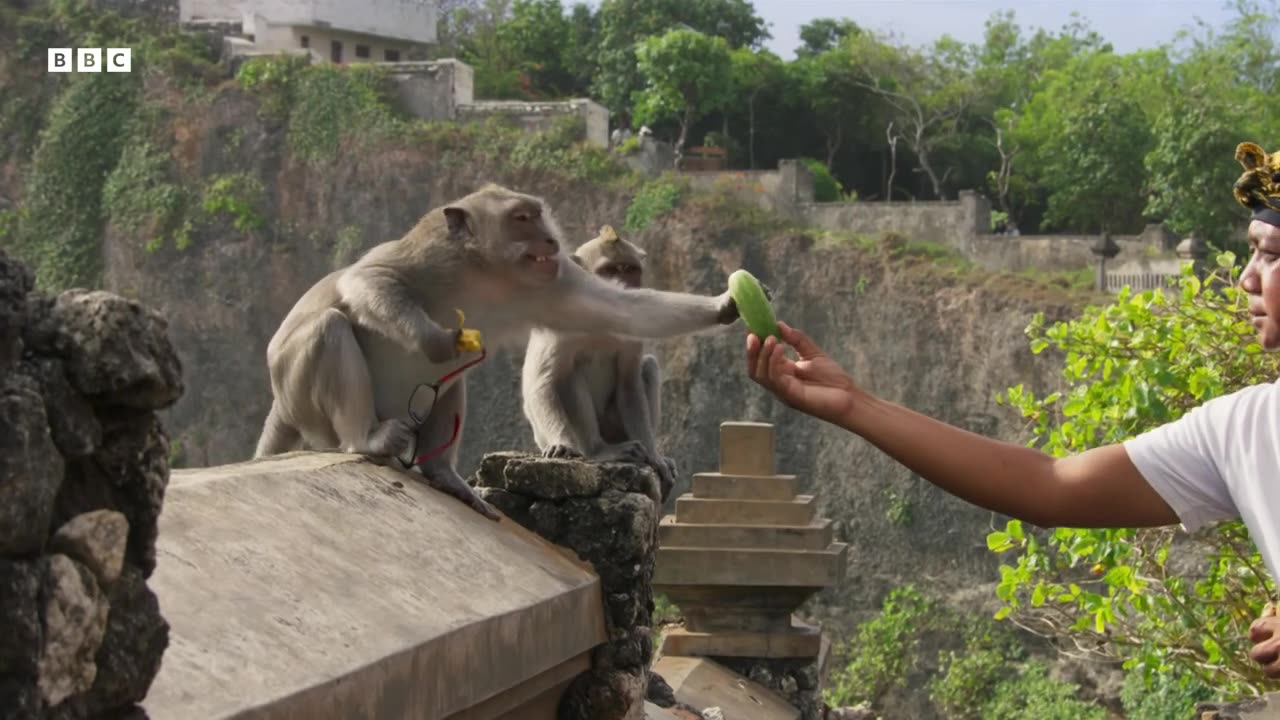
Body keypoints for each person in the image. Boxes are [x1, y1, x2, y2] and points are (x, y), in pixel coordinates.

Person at [744, 141, 1280, 679]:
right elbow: (1048, 486)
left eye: (1271, 254)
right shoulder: (1245, 429)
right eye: (1251, 252)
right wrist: (854, 405)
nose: (1247, 278)